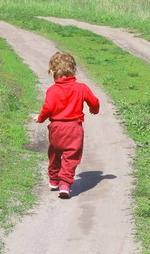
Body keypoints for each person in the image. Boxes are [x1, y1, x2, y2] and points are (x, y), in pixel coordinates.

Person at [34, 52, 100, 199]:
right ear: (73, 70)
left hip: (56, 128)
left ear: (52, 72)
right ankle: (65, 184)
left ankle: (53, 179)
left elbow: (48, 108)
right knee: (71, 156)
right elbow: (94, 102)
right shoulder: (81, 88)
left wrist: (40, 118)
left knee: (54, 153)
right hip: (74, 129)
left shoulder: (52, 90)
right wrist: (94, 109)